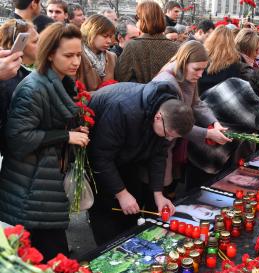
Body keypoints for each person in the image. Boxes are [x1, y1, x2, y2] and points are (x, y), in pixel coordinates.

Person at [0, 23, 87, 260]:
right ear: (50, 54)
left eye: (79, 54)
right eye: (68, 55)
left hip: (43, 184)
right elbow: (17, 138)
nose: (76, 62)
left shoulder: (59, 81)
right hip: (29, 189)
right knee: (48, 261)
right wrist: (66, 136)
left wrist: (72, 129)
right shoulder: (34, 88)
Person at [87, 81, 194, 245]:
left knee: (132, 208)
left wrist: (158, 194)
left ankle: (129, 246)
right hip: (99, 156)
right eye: (169, 134)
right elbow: (100, 157)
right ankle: (108, 254)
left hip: (127, 157)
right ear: (158, 118)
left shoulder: (166, 116)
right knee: (108, 212)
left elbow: (159, 155)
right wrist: (121, 193)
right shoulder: (123, 109)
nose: (170, 139)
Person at [153, 41, 231, 188]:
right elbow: (173, 123)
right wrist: (207, 134)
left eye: (203, 69)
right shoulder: (166, 82)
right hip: (160, 145)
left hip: (172, 143)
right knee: (157, 189)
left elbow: (196, 103)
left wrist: (214, 122)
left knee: (169, 186)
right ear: (184, 62)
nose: (201, 74)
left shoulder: (187, 75)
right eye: (197, 69)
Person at [115, 1, 178, 84]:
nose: (136, 22)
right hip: (168, 95)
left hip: (140, 95)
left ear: (143, 20)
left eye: (138, 18)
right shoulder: (176, 47)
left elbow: (120, 76)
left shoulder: (132, 46)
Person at [0, 19, 38, 148]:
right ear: (18, 46)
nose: (41, 44)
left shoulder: (29, 72)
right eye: (35, 41)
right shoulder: (9, 79)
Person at [198, 26, 246, 94]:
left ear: (212, 38)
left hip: (201, 96)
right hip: (222, 98)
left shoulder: (201, 54)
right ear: (231, 41)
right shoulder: (236, 60)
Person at [77, 15, 116, 92]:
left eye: (110, 36)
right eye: (105, 36)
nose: (109, 41)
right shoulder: (77, 55)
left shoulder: (112, 57)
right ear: (91, 33)